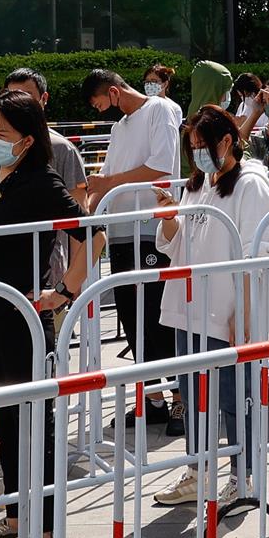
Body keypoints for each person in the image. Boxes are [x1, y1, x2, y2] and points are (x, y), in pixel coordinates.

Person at [0, 90, 88, 538]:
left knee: (38, 430)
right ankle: (15, 521)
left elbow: (87, 233)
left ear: (28, 140)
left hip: (27, 318)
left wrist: (64, 291)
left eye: (2, 134)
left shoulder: (41, 180)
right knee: (7, 428)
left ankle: (45, 536)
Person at [151, 106, 269, 509]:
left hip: (225, 311)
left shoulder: (251, 185)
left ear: (227, 141)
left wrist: (245, 311)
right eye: (192, 148)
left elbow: (257, 251)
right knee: (192, 394)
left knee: (232, 397)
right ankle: (198, 470)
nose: (198, 154)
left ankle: (243, 476)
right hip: (189, 307)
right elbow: (175, 243)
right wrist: (169, 219)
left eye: (203, 146)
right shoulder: (198, 184)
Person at [83, 69, 183, 429]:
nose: (101, 112)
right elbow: (103, 181)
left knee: (159, 315)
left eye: (99, 103)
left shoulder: (161, 110)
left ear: (113, 91)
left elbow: (159, 167)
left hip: (153, 226)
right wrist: (88, 202)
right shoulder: (118, 128)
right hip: (123, 231)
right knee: (132, 315)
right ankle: (153, 396)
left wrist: (107, 183)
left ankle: (179, 398)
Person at [0, 68, 88, 210]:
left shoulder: (62, 150)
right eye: (10, 96)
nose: (15, 106)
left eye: (25, 97)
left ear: (44, 99)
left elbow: (80, 210)